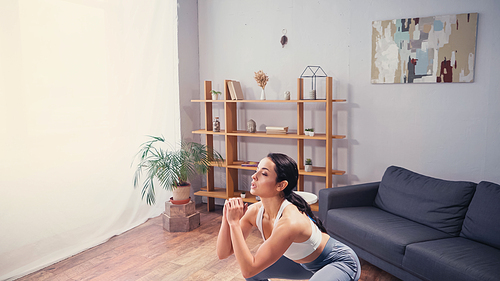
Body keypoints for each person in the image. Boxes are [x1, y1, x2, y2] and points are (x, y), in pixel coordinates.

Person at [217, 153, 361, 281]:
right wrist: (227, 218)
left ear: (281, 185)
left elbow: (248, 268)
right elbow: (223, 253)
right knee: (255, 273)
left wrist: (235, 223)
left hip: (339, 262)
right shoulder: (255, 212)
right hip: (302, 265)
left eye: (264, 173)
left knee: (251, 269)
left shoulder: (290, 222)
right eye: (256, 171)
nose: (254, 176)